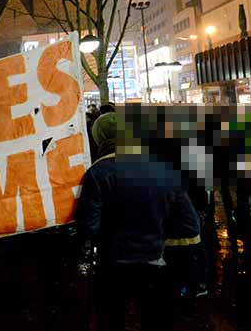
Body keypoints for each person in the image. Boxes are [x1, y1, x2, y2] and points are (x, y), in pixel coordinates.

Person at [76, 112, 200, 331]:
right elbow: (189, 224)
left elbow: (89, 227)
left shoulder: (98, 173)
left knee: (111, 320)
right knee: (155, 320)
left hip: (113, 265)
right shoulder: (163, 168)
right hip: (154, 261)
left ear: (98, 138)